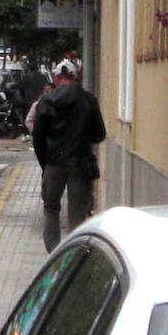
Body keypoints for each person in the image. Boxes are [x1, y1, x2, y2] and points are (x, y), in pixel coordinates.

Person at [32, 61, 106, 251]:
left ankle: (53, 252)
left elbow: (38, 138)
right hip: (80, 163)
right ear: (75, 77)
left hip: (54, 163)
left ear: (56, 78)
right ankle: (73, 254)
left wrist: (45, 165)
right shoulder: (88, 100)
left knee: (51, 208)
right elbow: (99, 134)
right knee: (77, 213)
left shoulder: (47, 101)